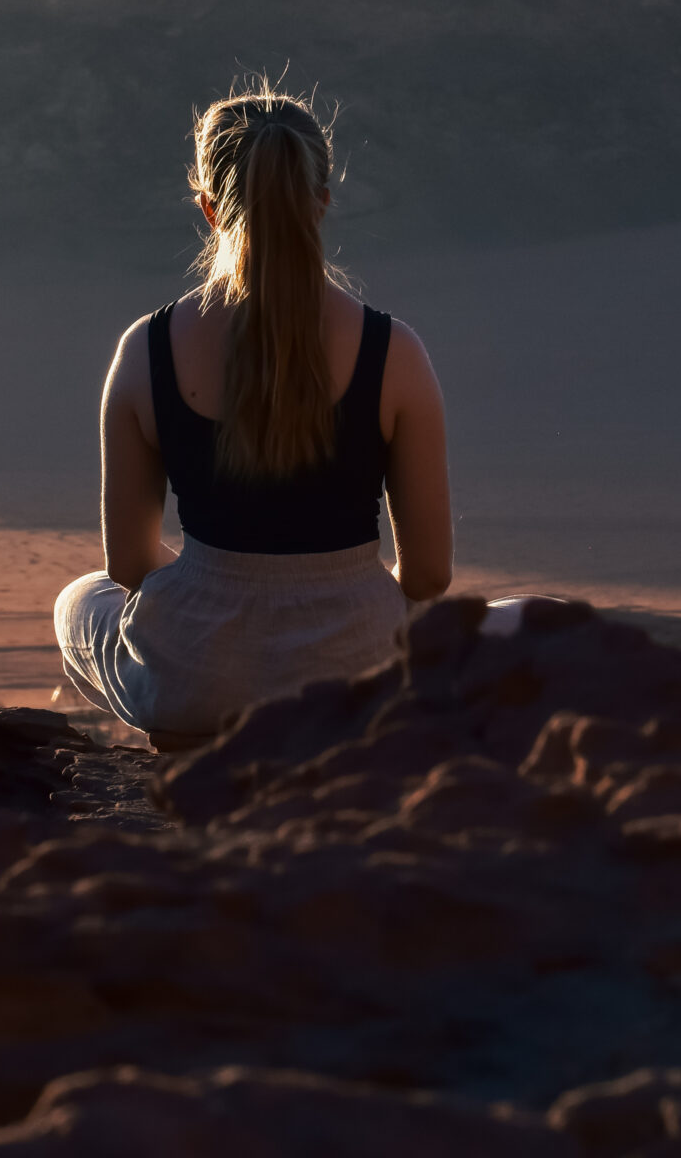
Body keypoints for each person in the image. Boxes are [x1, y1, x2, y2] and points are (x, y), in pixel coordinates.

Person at [54, 83, 453, 747]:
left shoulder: (145, 349)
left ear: (209, 208)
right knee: (535, 618)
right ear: (320, 203)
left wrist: (216, 591)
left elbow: (127, 564)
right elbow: (429, 576)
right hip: (358, 688)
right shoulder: (394, 352)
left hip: (197, 687)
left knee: (78, 599)